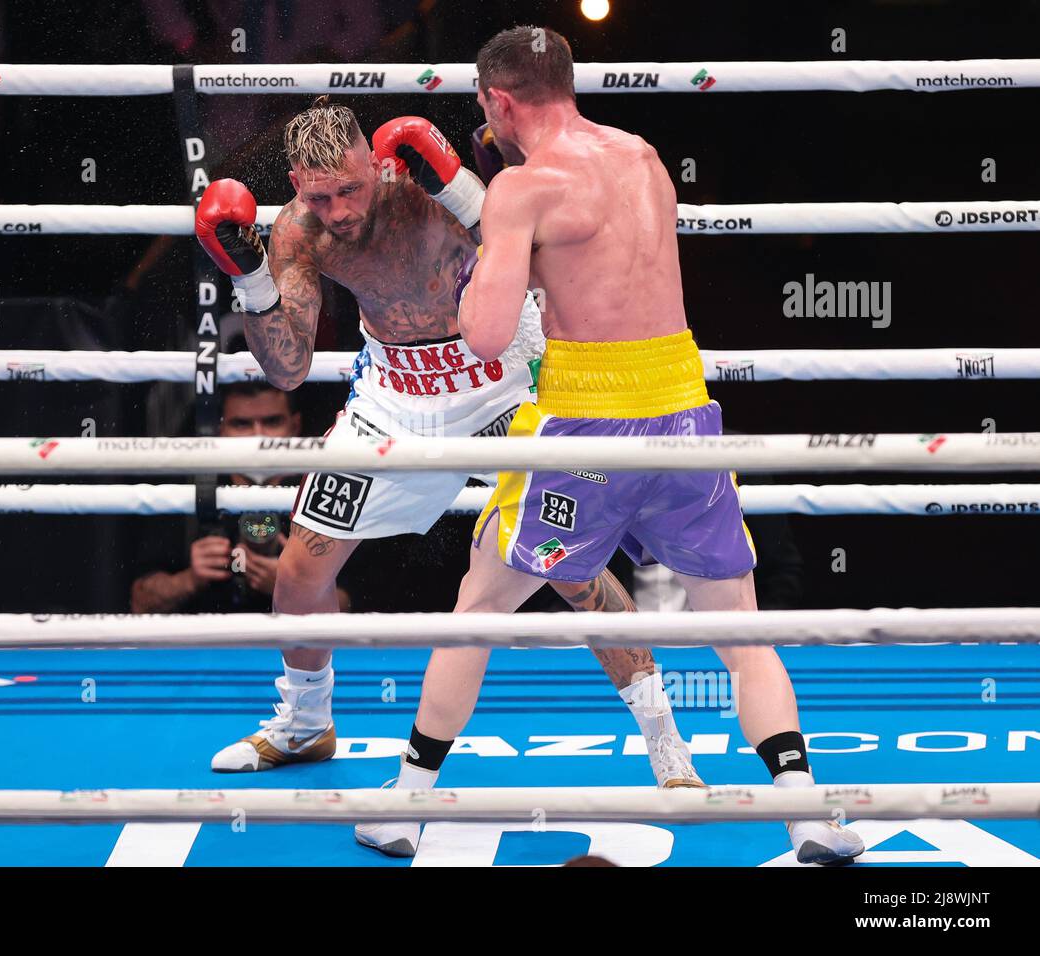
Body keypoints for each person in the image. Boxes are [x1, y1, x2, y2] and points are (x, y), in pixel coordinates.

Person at [392, 26, 863, 865]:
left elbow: (490, 334)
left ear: (497, 102)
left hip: (587, 423)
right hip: (683, 410)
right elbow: (604, 268)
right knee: (742, 632)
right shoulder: (643, 156)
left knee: (479, 608)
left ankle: (403, 806)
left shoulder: (520, 191)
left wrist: (482, 255)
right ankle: (810, 817)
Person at [195, 97, 701, 815]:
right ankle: (306, 725)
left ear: (376, 164)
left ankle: (665, 742)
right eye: (319, 195)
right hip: (393, 396)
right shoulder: (298, 233)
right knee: (301, 574)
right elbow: (287, 368)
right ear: (296, 186)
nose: (338, 210)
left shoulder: (428, 195)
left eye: (349, 189)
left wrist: (462, 190)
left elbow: (532, 267)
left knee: (566, 566)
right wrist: (245, 273)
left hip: (499, 379)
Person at [130, 380, 351, 615]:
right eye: (242, 424)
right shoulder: (185, 492)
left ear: (295, 426)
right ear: (221, 430)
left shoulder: (323, 491)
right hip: (208, 647)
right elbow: (140, 602)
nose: (259, 437)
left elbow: (353, 603)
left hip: (292, 646)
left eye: (271, 421)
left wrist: (298, 584)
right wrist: (189, 580)